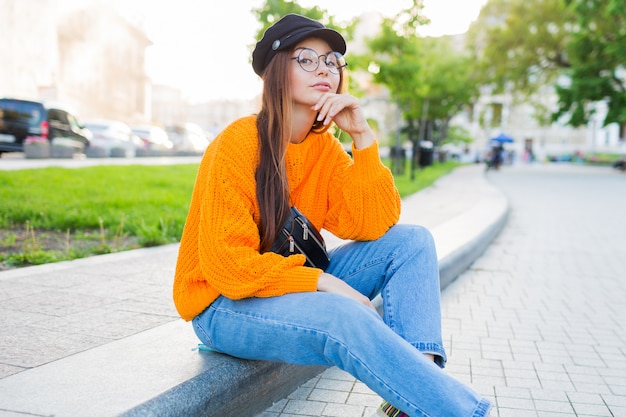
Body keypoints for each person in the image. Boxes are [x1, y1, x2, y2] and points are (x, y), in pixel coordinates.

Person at [173, 13, 492, 417]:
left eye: (332, 61)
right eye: (306, 59)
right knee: (342, 312)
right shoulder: (239, 142)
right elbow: (228, 268)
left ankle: (413, 399)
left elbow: (374, 222)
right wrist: (325, 283)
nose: (324, 69)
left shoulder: (323, 149)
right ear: (275, 72)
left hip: (290, 284)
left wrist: (363, 138)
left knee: (412, 242)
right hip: (222, 306)